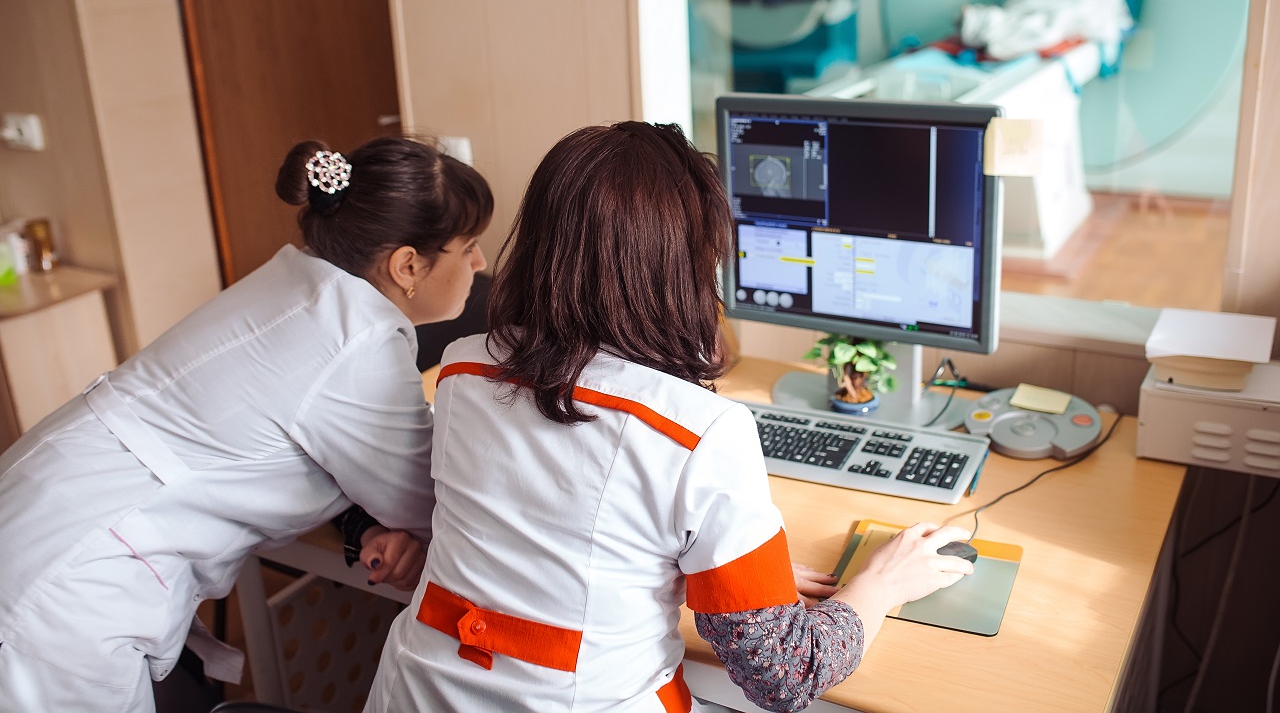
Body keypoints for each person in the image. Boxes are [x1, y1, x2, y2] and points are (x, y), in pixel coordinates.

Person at [363, 122, 974, 713]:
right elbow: (786, 673)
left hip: (419, 692)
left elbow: (547, 534)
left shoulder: (464, 369)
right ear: (683, 267)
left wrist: (712, 567)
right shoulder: (701, 431)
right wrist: (883, 584)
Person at [0, 136, 491, 713]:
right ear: (408, 265)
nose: (481, 264)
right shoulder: (357, 343)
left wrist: (376, 522)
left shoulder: (299, 280)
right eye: (470, 247)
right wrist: (385, 523)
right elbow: (431, 506)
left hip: (40, 505)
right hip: (67, 585)